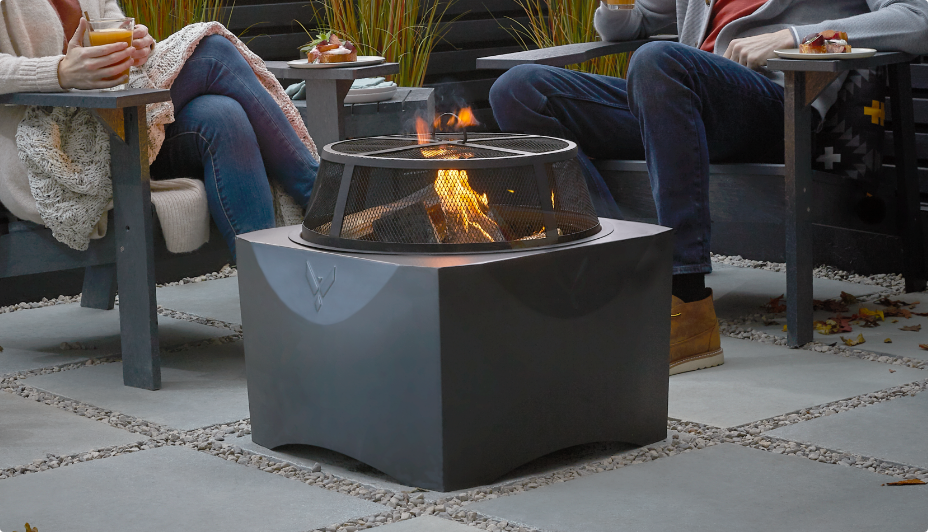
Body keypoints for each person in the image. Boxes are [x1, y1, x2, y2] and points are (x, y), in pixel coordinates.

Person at [489, 0, 928, 375]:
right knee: (519, 89)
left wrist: (797, 36)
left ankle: (686, 301)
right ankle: (621, 263)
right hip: (671, 95)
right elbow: (634, 21)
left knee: (660, 59)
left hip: (776, 100)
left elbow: (916, 16)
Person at [0, 0, 318, 257]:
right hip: (48, 146)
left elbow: (116, 30)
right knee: (214, 52)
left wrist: (140, 46)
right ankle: (319, 197)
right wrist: (60, 72)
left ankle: (271, 296)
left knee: (223, 115)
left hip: (116, 124)